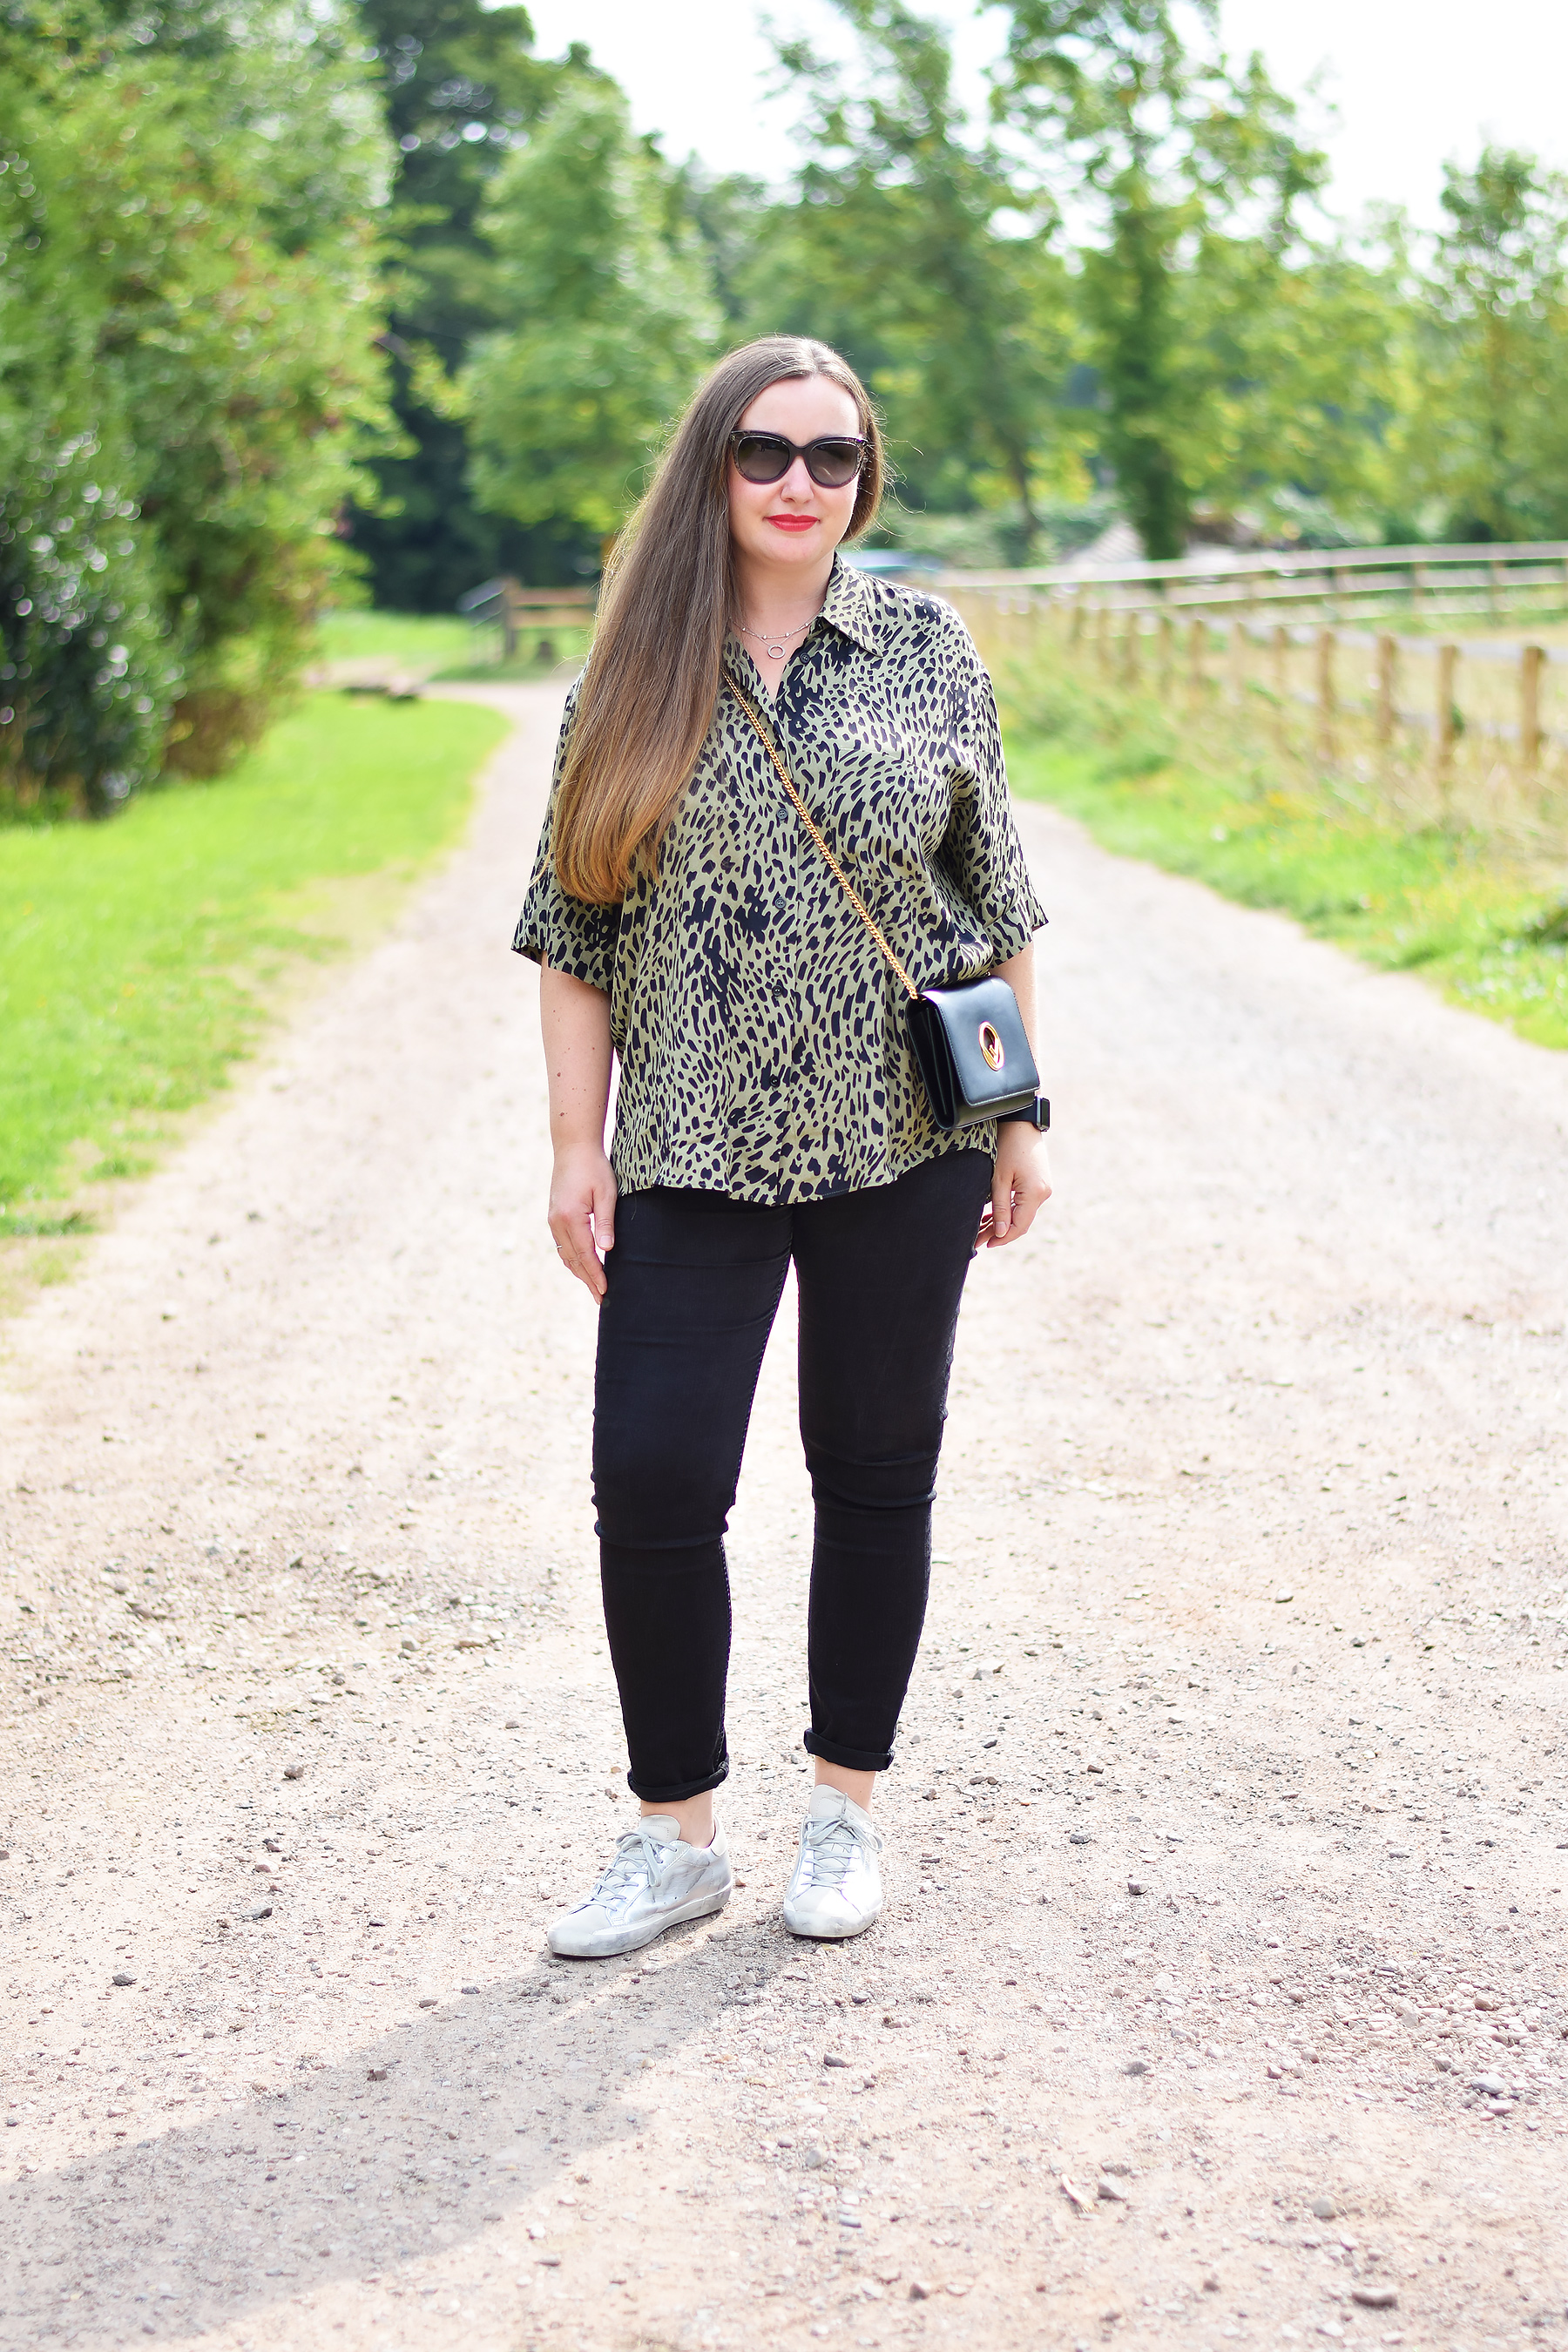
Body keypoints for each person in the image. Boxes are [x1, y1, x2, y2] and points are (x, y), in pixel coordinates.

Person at [514, 335, 1051, 1958]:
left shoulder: (926, 648)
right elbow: (572, 931)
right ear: (713, 467)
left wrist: (1021, 1114)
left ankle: (841, 1812)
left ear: (865, 476)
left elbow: (1000, 895)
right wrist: (573, 1148)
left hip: (908, 1138)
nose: (803, 485)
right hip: (689, 1140)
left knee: (875, 1473)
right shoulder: (628, 674)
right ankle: (673, 1834)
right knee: (654, 1478)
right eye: (767, 453)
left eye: (835, 457)